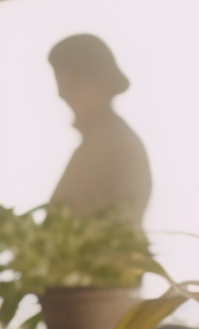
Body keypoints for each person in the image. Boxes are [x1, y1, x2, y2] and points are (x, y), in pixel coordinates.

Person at [47, 34, 152, 224]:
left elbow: (122, 227)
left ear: (101, 82)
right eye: (61, 86)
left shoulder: (117, 144)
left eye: (71, 86)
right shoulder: (97, 141)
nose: (62, 95)